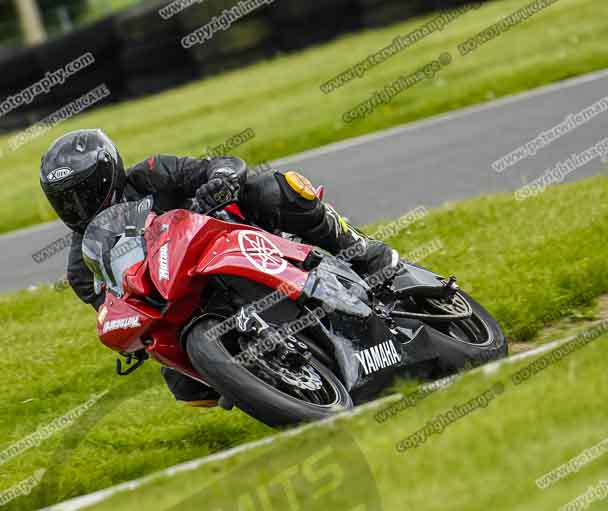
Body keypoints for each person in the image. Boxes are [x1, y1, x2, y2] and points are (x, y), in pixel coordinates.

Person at [40, 129, 398, 407]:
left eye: (83, 193)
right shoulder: (80, 265)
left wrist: (221, 181)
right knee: (186, 386)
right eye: (64, 201)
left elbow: (221, 164)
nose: (75, 206)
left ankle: (360, 249)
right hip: (175, 299)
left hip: (227, 239)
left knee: (274, 189)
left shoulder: (152, 174)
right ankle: (265, 380)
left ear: (108, 174)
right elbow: (115, 305)